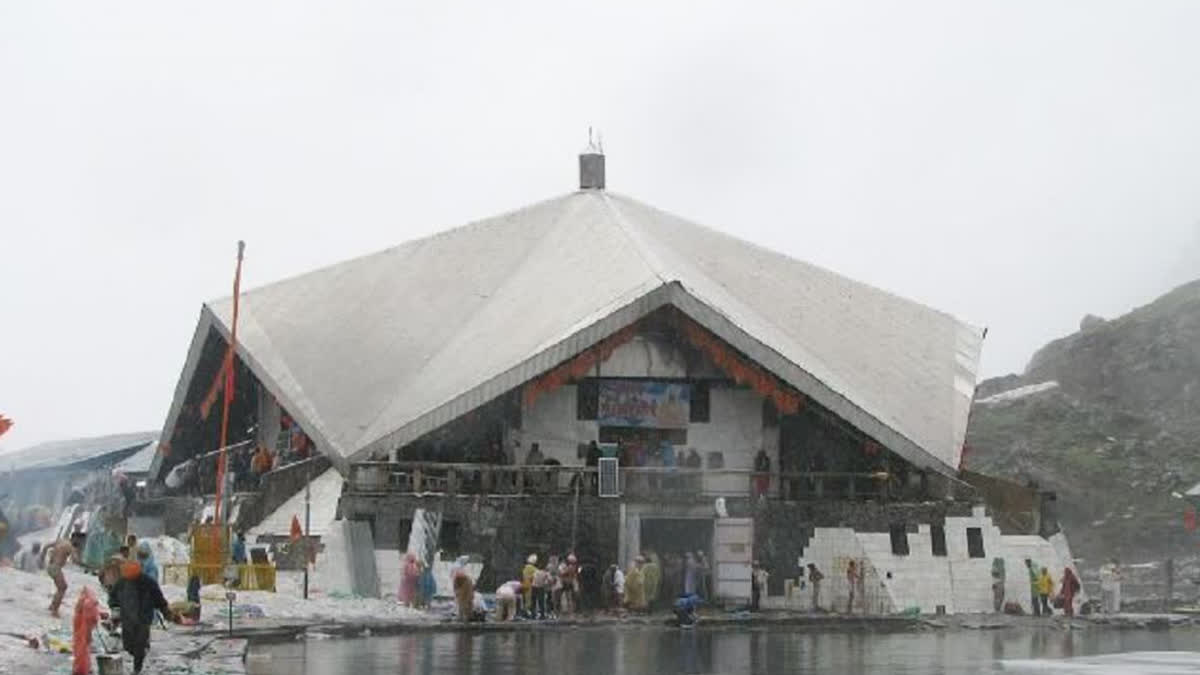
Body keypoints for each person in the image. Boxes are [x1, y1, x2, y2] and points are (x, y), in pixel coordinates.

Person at [108, 559, 172, 674]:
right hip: (127, 618)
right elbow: (113, 597)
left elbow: (159, 598)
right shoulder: (122, 582)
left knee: (139, 644)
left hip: (143, 618)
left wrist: (165, 611)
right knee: (128, 645)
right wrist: (114, 608)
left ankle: (137, 668)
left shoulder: (148, 582)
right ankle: (140, 652)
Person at [45, 538, 75, 616]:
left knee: (60, 588)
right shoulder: (70, 547)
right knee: (63, 588)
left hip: (50, 566)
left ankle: (52, 605)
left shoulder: (60, 541)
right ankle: (55, 610)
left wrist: (42, 558)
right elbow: (75, 559)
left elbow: (46, 546)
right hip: (56, 567)